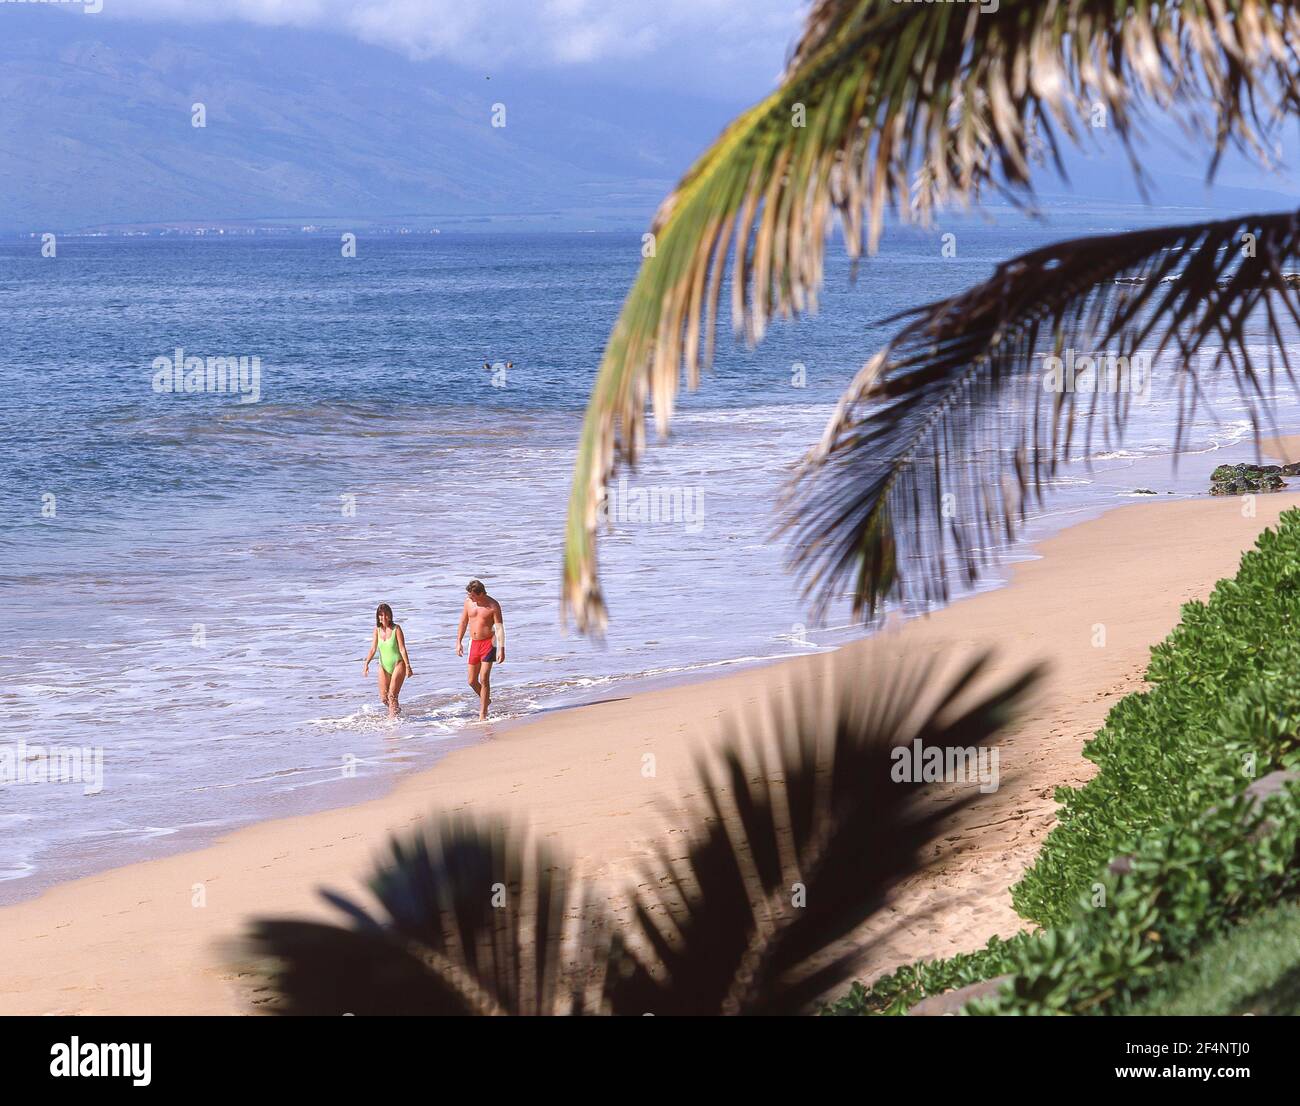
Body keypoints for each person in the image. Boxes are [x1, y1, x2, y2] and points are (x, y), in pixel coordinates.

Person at [456, 579, 504, 720]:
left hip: (489, 643)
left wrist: (501, 649)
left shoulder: (493, 606)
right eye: (469, 595)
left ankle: (482, 714)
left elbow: (499, 628)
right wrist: (458, 641)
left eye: (473, 596)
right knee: (471, 681)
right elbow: (463, 622)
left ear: (481, 593)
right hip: (474, 644)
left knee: (484, 678)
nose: (471, 598)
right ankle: (486, 699)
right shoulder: (468, 603)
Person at [363, 603, 414, 718]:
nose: (383, 617)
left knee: (392, 696)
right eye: (381, 615)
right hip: (383, 665)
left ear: (390, 616)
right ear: (378, 617)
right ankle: (397, 712)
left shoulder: (397, 629)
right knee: (384, 698)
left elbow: (402, 648)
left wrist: (408, 666)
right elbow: (373, 648)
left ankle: (393, 724)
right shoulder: (377, 630)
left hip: (398, 664)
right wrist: (366, 663)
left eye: (386, 614)